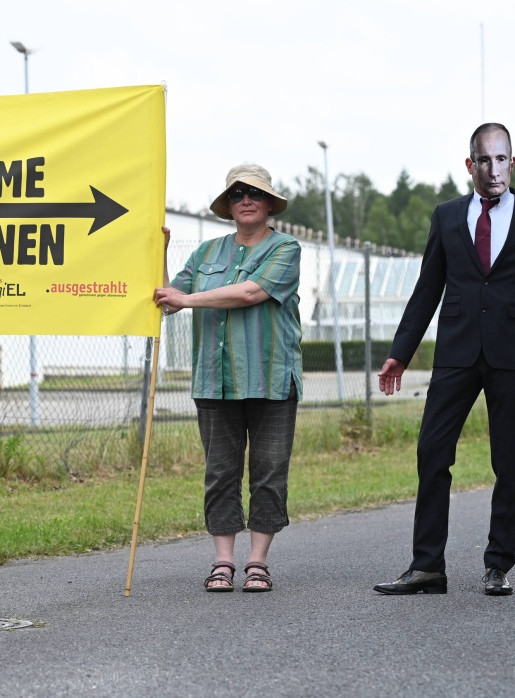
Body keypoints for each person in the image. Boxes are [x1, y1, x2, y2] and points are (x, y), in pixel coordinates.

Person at [373, 123, 515, 596]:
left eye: (502, 160)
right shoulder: (446, 216)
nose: (494, 169)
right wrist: (401, 352)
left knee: (508, 461)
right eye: (485, 160)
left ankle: (498, 565)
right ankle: (427, 567)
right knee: (431, 452)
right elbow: (427, 289)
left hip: (511, 354)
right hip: (456, 353)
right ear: (470, 165)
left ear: (512, 164)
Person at [154, 164, 303, 593]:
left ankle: (257, 562)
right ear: (229, 204)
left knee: (268, 473)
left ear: (270, 202)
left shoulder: (286, 248)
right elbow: (169, 300)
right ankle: (223, 562)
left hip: (271, 380)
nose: (245, 200)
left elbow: (250, 292)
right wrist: (160, 252)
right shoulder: (205, 254)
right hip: (214, 381)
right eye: (237, 194)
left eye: (254, 193)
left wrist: (188, 298)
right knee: (220, 473)